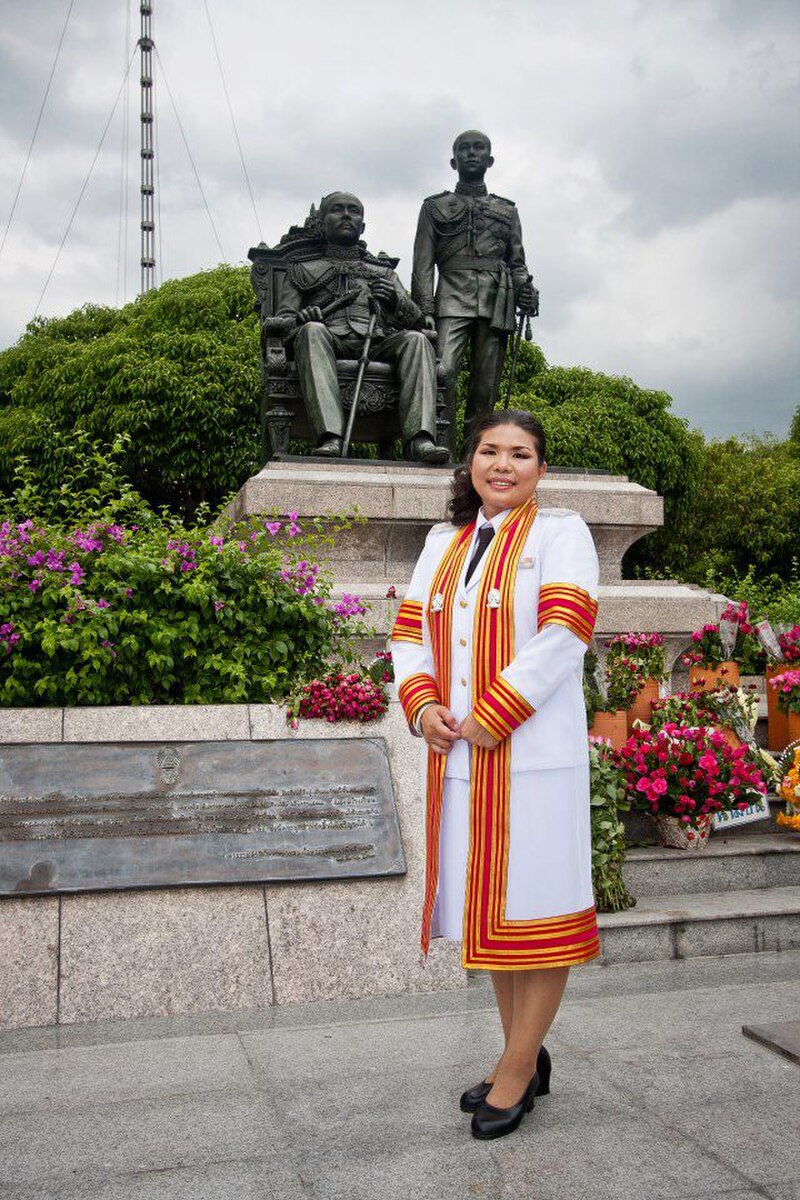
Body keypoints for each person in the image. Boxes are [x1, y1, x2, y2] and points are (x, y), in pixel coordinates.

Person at [390, 410, 600, 1140]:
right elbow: (409, 634)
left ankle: (515, 1071)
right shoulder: (442, 542)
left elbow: (564, 633)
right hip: (462, 761)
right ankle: (522, 1051)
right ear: (470, 462)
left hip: (534, 756)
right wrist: (423, 709)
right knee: (498, 920)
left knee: (537, 912)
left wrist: (495, 709)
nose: (502, 465)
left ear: (541, 468)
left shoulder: (560, 534)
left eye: (519, 454)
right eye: (489, 451)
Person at [275, 191, 448, 463]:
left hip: (377, 342)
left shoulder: (383, 272)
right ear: (321, 223)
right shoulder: (302, 269)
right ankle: (330, 436)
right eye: (338, 209)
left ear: (362, 225)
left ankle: (420, 439)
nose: (346, 215)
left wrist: (395, 302)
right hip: (329, 341)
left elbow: (419, 322)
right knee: (312, 331)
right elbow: (280, 325)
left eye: (354, 211)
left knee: (417, 340)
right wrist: (302, 318)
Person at [411, 131, 538, 451]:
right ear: (453, 161)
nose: (471, 153)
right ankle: (441, 446)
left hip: (495, 303)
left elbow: (517, 262)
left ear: (490, 160)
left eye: (478, 148)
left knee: (485, 388)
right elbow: (423, 265)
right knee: (443, 372)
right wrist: (423, 310)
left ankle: (473, 457)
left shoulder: (507, 210)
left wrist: (526, 288)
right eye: (464, 149)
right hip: (451, 298)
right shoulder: (434, 207)